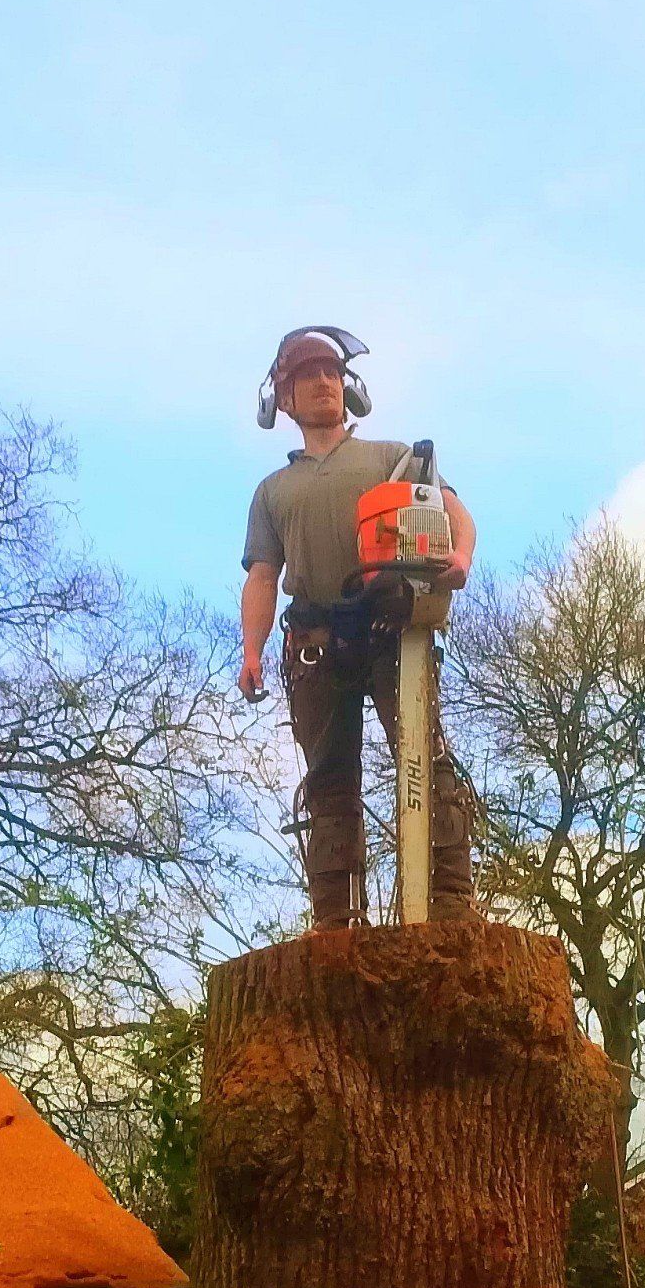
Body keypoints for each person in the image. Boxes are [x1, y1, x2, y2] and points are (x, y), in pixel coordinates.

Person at [240, 328, 479, 931]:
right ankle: (335, 921)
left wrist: (460, 559)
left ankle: (449, 905)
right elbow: (263, 576)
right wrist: (252, 651)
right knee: (328, 782)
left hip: (392, 631)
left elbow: (451, 511)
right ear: (283, 401)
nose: (323, 382)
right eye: (306, 376)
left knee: (425, 761)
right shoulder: (273, 491)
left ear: (349, 388)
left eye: (331, 373)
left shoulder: (391, 458)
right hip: (315, 645)